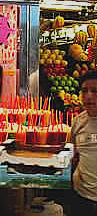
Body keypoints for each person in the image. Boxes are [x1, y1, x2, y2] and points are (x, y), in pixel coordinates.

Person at [71, 70, 97, 216]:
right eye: (84, 91)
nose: (89, 96)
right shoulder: (78, 122)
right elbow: (74, 156)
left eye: (95, 91)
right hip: (82, 196)